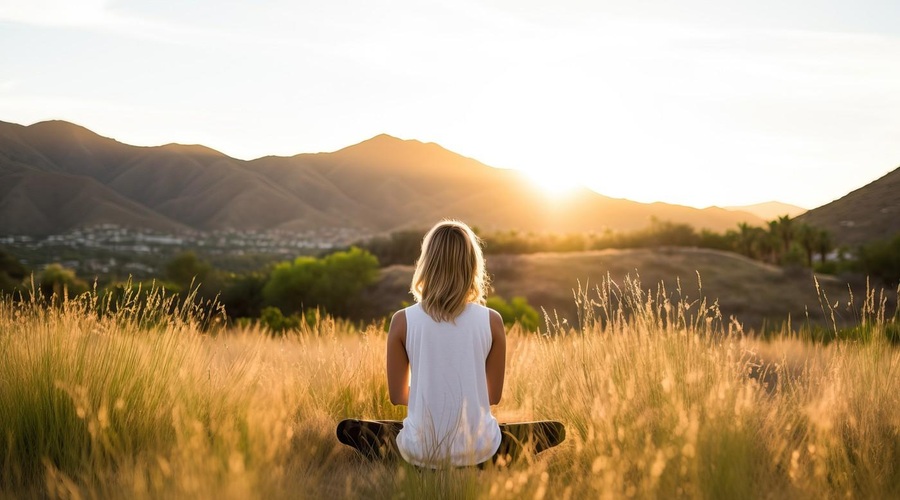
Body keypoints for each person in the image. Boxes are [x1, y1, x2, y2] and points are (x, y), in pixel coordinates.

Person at [337, 219, 564, 468]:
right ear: (472, 266)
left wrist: (432, 396)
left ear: (426, 265)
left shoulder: (402, 321)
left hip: (420, 454)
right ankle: (493, 450)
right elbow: (492, 396)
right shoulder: (493, 321)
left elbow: (397, 395)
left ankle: (414, 452)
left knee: (352, 429)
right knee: (544, 431)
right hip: (479, 451)